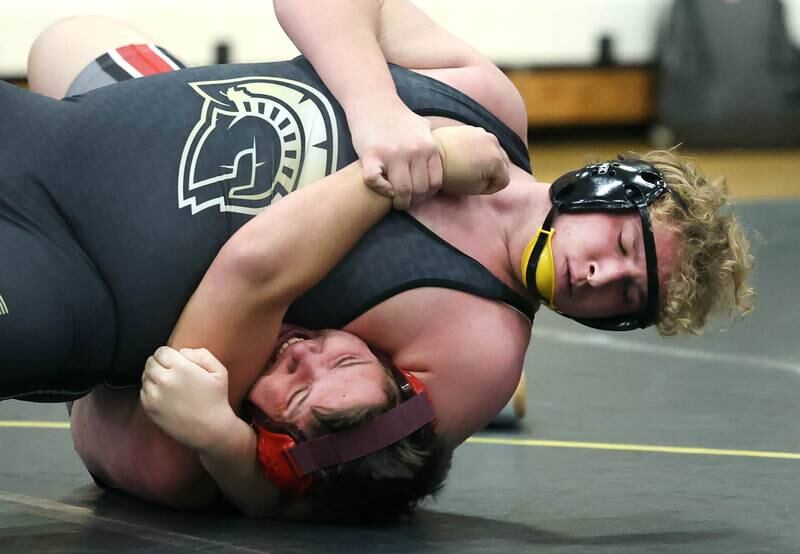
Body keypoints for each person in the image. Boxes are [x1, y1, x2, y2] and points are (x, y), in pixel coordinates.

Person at [14, 0, 753, 515]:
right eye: (623, 246)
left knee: (173, 463)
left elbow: (318, 490)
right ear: (597, 187)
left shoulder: (481, 351)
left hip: (94, 292)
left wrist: (231, 444)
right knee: (73, 35)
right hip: (84, 156)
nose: (603, 277)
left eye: (628, 297)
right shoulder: (486, 102)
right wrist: (379, 113)